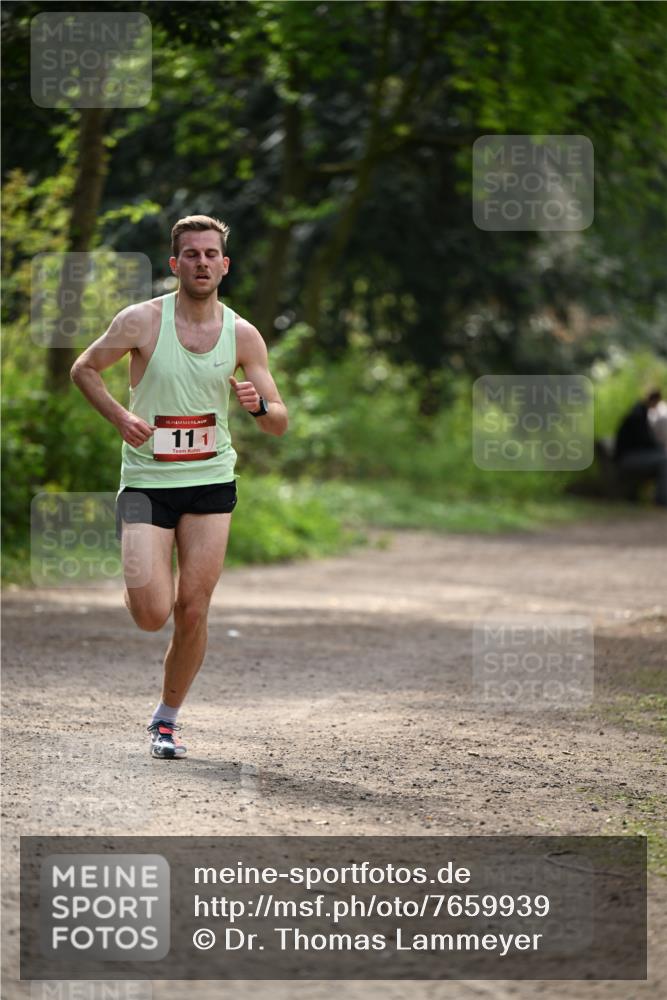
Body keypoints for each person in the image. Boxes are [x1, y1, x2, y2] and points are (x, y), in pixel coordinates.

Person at [71, 215, 288, 758]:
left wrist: (259, 406)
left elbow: (278, 421)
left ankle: (166, 721)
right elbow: (84, 368)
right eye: (191, 254)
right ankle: (139, 572)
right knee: (152, 615)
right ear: (175, 264)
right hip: (147, 482)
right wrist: (122, 418)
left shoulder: (242, 334)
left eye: (211, 254)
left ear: (225, 265)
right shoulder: (141, 322)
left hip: (210, 480)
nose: (202, 263)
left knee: (193, 607)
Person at [613, 389, 667, 507]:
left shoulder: (640, 412)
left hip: (631, 456)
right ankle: (662, 500)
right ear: (654, 400)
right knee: (664, 461)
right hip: (627, 459)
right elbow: (644, 441)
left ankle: (661, 499)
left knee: (663, 459)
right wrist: (659, 448)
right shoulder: (637, 415)